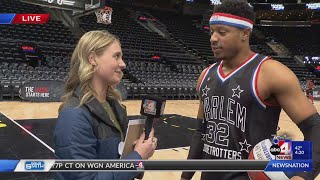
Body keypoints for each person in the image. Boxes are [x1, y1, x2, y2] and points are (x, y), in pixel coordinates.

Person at [181, 0, 320, 180]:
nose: (213, 38)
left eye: (222, 32)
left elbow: (315, 128)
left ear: (245, 33)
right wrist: (186, 175)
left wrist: (303, 174)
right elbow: (201, 131)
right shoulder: (205, 75)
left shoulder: (271, 73)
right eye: (212, 31)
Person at [54, 30, 157, 180]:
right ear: (92, 59)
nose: (123, 64)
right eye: (116, 56)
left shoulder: (114, 106)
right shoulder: (74, 115)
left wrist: (139, 152)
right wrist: (137, 157)